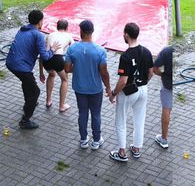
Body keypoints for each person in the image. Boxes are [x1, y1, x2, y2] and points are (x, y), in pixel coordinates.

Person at [6, 10, 60, 129]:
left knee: (27, 83)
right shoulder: (38, 35)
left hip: (10, 63)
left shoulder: (22, 29)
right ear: (40, 21)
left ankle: (28, 104)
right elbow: (45, 57)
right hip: (21, 67)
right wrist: (53, 49)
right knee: (35, 92)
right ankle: (25, 121)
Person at [109, 22, 153, 162]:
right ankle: (136, 148)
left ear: (126, 35)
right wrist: (143, 83)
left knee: (121, 120)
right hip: (143, 90)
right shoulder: (146, 51)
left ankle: (122, 152)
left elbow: (123, 81)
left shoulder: (126, 56)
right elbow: (151, 72)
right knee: (139, 119)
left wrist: (114, 93)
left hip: (128, 92)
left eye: (123, 33)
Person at [64, 20, 111, 150]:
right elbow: (104, 73)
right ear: (92, 32)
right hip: (95, 89)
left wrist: (78, 67)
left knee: (82, 113)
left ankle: (83, 139)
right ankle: (96, 140)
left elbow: (67, 69)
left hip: (80, 88)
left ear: (81, 31)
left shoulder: (72, 48)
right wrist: (108, 87)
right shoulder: (100, 51)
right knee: (96, 114)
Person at [39, 19, 74, 112]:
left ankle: (48, 101)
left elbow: (42, 54)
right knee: (65, 80)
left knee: (52, 74)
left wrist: (41, 72)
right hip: (58, 59)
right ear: (67, 28)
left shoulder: (49, 35)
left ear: (57, 27)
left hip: (46, 59)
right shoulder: (68, 36)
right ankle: (62, 106)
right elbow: (74, 49)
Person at [153, 46, 173, 149]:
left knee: (166, 108)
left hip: (168, 85)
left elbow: (155, 68)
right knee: (169, 108)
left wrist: (162, 75)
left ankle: (164, 139)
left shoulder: (167, 51)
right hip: (181, 82)